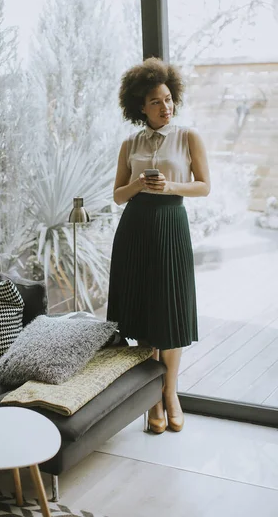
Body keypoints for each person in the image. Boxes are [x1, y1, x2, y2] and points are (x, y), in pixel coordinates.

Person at [107, 57, 210, 434]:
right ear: (140, 107)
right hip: (135, 227)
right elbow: (118, 196)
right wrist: (137, 186)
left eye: (168, 99)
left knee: (171, 310)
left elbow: (203, 186)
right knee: (147, 313)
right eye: (155, 101)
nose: (165, 106)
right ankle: (152, 398)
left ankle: (171, 393)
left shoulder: (188, 137)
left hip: (171, 224)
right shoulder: (130, 143)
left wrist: (170, 187)